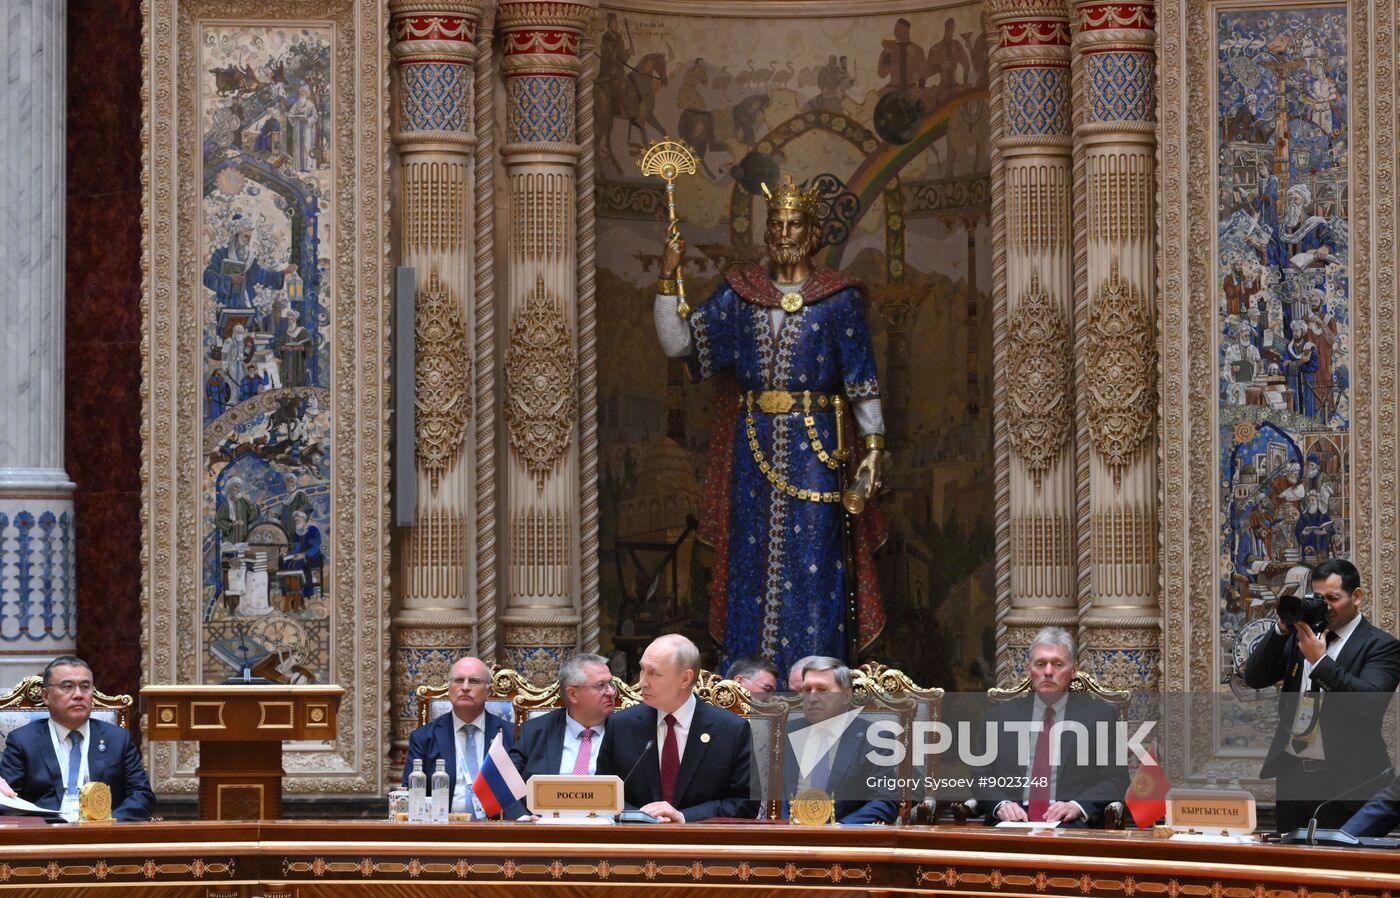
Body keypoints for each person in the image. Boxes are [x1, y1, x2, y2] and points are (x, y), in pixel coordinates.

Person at [654, 175, 887, 674]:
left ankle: (817, 680)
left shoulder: (839, 298)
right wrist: (667, 276)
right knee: (750, 564)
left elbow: (862, 381)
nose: (783, 232)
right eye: (775, 223)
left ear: (812, 231)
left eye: (793, 223)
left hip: (821, 452)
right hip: (753, 448)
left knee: (818, 562)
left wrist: (873, 450)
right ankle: (748, 681)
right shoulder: (741, 295)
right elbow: (679, 345)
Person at [1244, 558, 1400, 833]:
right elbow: (1255, 678)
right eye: (1317, 598)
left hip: (1347, 784)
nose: (1324, 607)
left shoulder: (1381, 646)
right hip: (1293, 777)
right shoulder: (1301, 637)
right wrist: (1281, 629)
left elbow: (1370, 703)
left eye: (1333, 598)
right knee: (1290, 869)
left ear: (1357, 596)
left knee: (1340, 869)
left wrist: (1320, 662)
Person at [976, 627, 1127, 827]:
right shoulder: (999, 717)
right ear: (1029, 669)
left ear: (1073, 671)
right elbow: (980, 777)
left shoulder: (1098, 717)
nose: (1048, 672)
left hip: (1070, 824)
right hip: (1011, 822)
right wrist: (1001, 805)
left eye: (1057, 664)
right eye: (1040, 664)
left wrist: (1077, 805)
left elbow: (1115, 780)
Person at [595, 634, 754, 822]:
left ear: (685, 679)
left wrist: (684, 816)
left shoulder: (731, 730)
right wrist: (640, 817)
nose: (642, 682)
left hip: (703, 845)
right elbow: (603, 796)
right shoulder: (621, 725)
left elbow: (745, 804)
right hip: (636, 841)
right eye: (642, 670)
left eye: (653, 673)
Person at [0, 655, 155, 821]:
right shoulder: (23, 740)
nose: (78, 695)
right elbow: (6, 799)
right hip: (45, 834)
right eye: (67, 687)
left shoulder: (117, 739)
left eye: (85, 687)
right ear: (46, 696)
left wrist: (110, 823)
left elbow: (142, 795)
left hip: (104, 834)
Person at [783, 657, 897, 824]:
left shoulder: (875, 739)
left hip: (843, 839)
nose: (812, 698)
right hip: (785, 835)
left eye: (823, 690)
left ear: (846, 696)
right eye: (807, 690)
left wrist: (841, 828)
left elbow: (886, 800)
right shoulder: (784, 734)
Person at [402, 656, 514, 819]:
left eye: (474, 681)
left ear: (488, 691)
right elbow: (410, 792)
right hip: (442, 831)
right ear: (449, 689)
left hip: (498, 830)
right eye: (459, 680)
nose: (466, 687)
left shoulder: (511, 735)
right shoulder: (424, 738)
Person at [509, 653, 615, 787]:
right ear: (573, 694)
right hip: (544, 807)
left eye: (611, 683)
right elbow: (506, 786)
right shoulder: (534, 732)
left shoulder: (627, 732)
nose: (611, 692)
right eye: (601, 685)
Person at [202, 215, 295, 308]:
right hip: (227, 306)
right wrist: (230, 281)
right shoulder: (221, 253)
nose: (248, 241)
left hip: (249, 308)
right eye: (246, 237)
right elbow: (208, 276)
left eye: (251, 237)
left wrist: (283, 273)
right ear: (236, 235)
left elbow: (263, 277)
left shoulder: (251, 258)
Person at [283, 509, 322, 604]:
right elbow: (297, 547)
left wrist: (303, 554)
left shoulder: (313, 530)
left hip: (313, 556)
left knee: (300, 566)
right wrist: (287, 553)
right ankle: (289, 593)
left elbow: (316, 547)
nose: (296, 522)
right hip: (300, 556)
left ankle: (304, 595)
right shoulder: (297, 533)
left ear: (304, 520)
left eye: (298, 520)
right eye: (295, 520)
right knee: (286, 564)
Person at [216, 476, 259, 546]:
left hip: (243, 539)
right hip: (230, 539)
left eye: (239, 487)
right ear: (230, 488)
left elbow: (250, 518)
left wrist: (256, 505)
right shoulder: (225, 504)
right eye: (235, 487)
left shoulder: (243, 502)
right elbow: (218, 521)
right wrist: (233, 524)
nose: (238, 490)